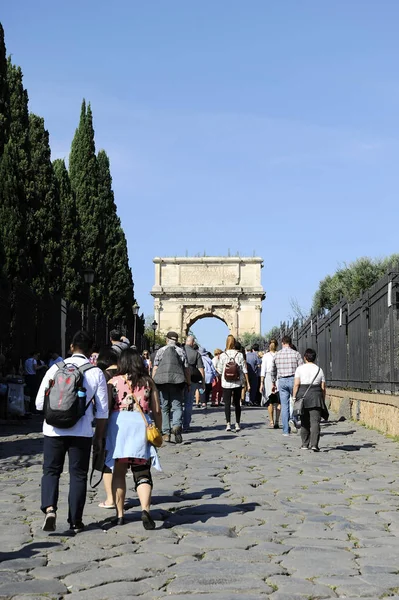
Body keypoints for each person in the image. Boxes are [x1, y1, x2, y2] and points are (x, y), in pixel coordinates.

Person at [36, 331, 108, 533]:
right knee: (78, 475)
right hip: (81, 432)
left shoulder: (54, 368)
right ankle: (75, 520)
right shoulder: (95, 373)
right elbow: (102, 411)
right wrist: (99, 438)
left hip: (53, 430)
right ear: (91, 350)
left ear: (71, 347)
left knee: (51, 471)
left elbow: (39, 403)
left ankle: (50, 508)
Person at [106, 349, 162, 528]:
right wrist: (158, 430)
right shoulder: (148, 382)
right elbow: (157, 410)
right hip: (141, 424)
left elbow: (106, 409)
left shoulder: (113, 382)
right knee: (142, 471)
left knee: (119, 471)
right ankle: (145, 510)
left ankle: (120, 514)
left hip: (119, 425)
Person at [152, 331, 190, 443]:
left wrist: (153, 382)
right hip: (177, 381)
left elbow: (155, 368)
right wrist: (188, 383)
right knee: (177, 406)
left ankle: (166, 433)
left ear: (167, 339)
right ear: (177, 340)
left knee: (165, 406)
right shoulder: (181, 351)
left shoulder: (160, 351)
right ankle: (176, 425)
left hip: (162, 382)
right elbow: (187, 369)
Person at [96, 346, 119, 510]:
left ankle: (111, 498)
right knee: (120, 462)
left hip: (106, 421)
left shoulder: (102, 376)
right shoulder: (126, 375)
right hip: (124, 422)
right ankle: (119, 495)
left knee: (107, 462)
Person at [292, 348, 326, 452]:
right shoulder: (319, 370)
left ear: (305, 357)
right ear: (314, 358)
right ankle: (315, 444)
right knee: (315, 422)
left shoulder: (300, 369)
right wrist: (322, 399)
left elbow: (296, 384)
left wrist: (294, 397)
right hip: (316, 396)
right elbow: (323, 387)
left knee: (304, 421)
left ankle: (304, 444)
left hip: (303, 395)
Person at [271, 335, 303, 436]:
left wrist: (273, 382)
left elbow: (273, 370)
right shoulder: (296, 354)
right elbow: (301, 368)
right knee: (294, 402)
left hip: (282, 380)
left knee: (284, 405)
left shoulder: (277, 355)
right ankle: (293, 420)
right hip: (294, 379)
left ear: (282, 343)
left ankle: (285, 431)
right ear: (290, 343)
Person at [217, 335, 250, 432]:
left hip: (226, 383)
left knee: (227, 404)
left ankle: (228, 424)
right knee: (237, 403)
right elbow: (244, 370)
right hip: (237, 382)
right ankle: (237, 424)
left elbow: (219, 370)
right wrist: (247, 382)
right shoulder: (239, 355)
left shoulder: (223, 355)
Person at [183, 336, 205, 422]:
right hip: (192, 379)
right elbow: (201, 369)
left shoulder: (179, 351)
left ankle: (176, 424)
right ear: (192, 343)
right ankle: (186, 424)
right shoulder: (196, 354)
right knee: (189, 403)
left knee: (177, 403)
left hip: (179, 378)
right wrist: (203, 383)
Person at [260, 339, 280, 428]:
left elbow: (263, 370)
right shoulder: (279, 354)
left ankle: (271, 421)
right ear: (277, 345)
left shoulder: (266, 356)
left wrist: (261, 383)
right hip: (278, 377)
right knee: (279, 401)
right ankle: (277, 421)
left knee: (270, 401)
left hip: (268, 377)